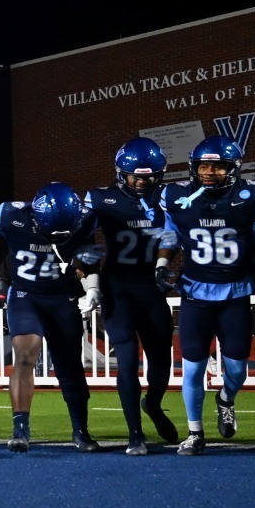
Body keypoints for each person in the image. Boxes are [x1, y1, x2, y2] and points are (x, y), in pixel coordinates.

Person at [162, 136, 255, 455]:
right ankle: (195, 432)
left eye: (219, 166)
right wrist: (161, 263)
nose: (210, 172)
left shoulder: (254, 195)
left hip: (235, 294)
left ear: (233, 168)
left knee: (237, 369)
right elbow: (169, 233)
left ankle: (226, 398)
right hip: (195, 294)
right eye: (204, 165)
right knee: (193, 368)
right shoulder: (176, 195)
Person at [77, 138, 181, 454]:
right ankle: (135, 434)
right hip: (117, 287)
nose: (140, 182)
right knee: (126, 359)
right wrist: (91, 284)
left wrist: (163, 264)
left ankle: (153, 403)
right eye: (134, 176)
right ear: (121, 173)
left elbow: (173, 234)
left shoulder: (168, 197)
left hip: (150, 287)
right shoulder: (100, 198)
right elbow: (82, 243)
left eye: (148, 177)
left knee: (162, 358)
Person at [0, 183, 100, 452]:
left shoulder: (84, 219)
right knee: (24, 355)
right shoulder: (13, 215)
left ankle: (81, 430)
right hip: (26, 295)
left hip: (63, 296)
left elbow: (89, 255)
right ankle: (20, 430)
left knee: (69, 365)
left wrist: (92, 287)